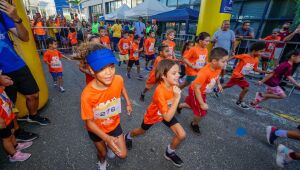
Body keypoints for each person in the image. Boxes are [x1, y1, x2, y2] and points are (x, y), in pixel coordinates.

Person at [0, 1, 49, 141]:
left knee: (33, 94)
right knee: (8, 106)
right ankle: (17, 132)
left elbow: (25, 37)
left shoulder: (2, 15)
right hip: (2, 72)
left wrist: (16, 17)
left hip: (17, 64)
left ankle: (33, 116)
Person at [80, 43, 132, 170]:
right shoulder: (87, 95)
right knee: (102, 153)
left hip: (114, 124)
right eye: (102, 68)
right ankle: (102, 162)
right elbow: (90, 123)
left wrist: (128, 103)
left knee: (123, 154)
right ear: (91, 70)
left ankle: (109, 145)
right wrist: (107, 138)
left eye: (111, 66)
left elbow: (122, 88)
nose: (109, 73)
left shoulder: (118, 79)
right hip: (97, 130)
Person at [125, 59, 186, 167]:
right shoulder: (159, 91)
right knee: (141, 131)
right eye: (174, 73)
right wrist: (177, 99)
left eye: (178, 73)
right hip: (154, 115)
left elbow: (167, 114)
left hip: (167, 112)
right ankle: (128, 136)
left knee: (181, 135)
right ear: (163, 75)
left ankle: (170, 152)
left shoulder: (173, 84)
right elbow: (167, 117)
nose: (178, 75)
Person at [177, 48, 228, 134]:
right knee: (202, 112)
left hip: (202, 92)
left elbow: (217, 76)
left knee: (191, 105)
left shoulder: (218, 68)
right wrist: (202, 104)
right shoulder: (204, 72)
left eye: (226, 61)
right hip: (196, 92)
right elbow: (196, 88)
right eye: (224, 61)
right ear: (214, 61)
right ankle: (194, 124)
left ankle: (179, 106)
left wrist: (218, 84)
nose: (226, 63)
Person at [216, 41, 268, 109]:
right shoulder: (245, 56)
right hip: (237, 75)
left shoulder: (256, 60)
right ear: (254, 50)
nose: (262, 54)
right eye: (261, 51)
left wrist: (266, 72)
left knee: (228, 85)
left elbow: (255, 69)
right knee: (246, 88)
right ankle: (239, 101)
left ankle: (216, 89)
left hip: (241, 76)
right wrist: (225, 61)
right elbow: (234, 56)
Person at [0, 79, 32, 162]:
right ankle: (13, 155)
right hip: (2, 120)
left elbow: (6, 99)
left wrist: (13, 109)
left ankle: (15, 145)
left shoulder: (1, 88)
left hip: (7, 115)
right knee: (6, 138)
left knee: (11, 132)